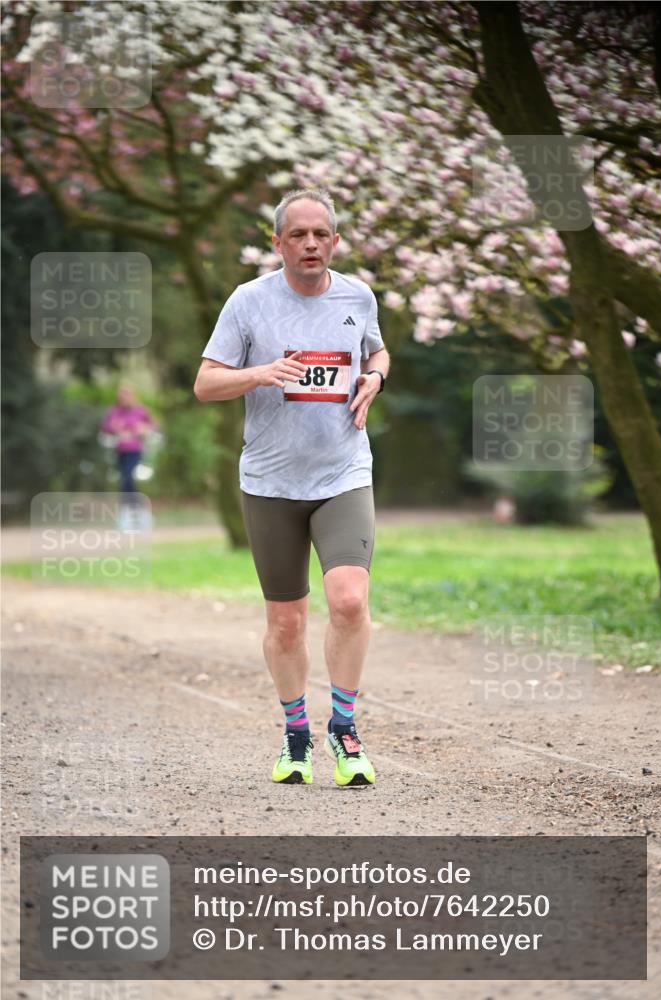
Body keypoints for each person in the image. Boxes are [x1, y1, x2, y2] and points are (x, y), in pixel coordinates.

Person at [194, 188, 390, 788]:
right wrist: (263, 373)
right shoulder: (249, 302)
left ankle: (346, 730)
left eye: (321, 234)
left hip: (342, 472)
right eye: (297, 235)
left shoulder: (358, 295)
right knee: (286, 622)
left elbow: (376, 350)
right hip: (271, 482)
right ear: (277, 243)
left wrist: (374, 378)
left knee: (351, 600)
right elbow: (206, 384)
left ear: (334, 241)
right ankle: (296, 734)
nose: (310, 244)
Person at [100, 384, 156, 507]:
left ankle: (130, 504)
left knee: (128, 476)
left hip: (135, 450)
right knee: (124, 477)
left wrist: (143, 429)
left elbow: (153, 426)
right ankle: (131, 505)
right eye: (122, 397)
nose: (124, 399)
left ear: (133, 397)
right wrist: (114, 427)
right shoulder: (114, 412)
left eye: (127, 396)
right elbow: (105, 426)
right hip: (119, 450)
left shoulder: (141, 411)